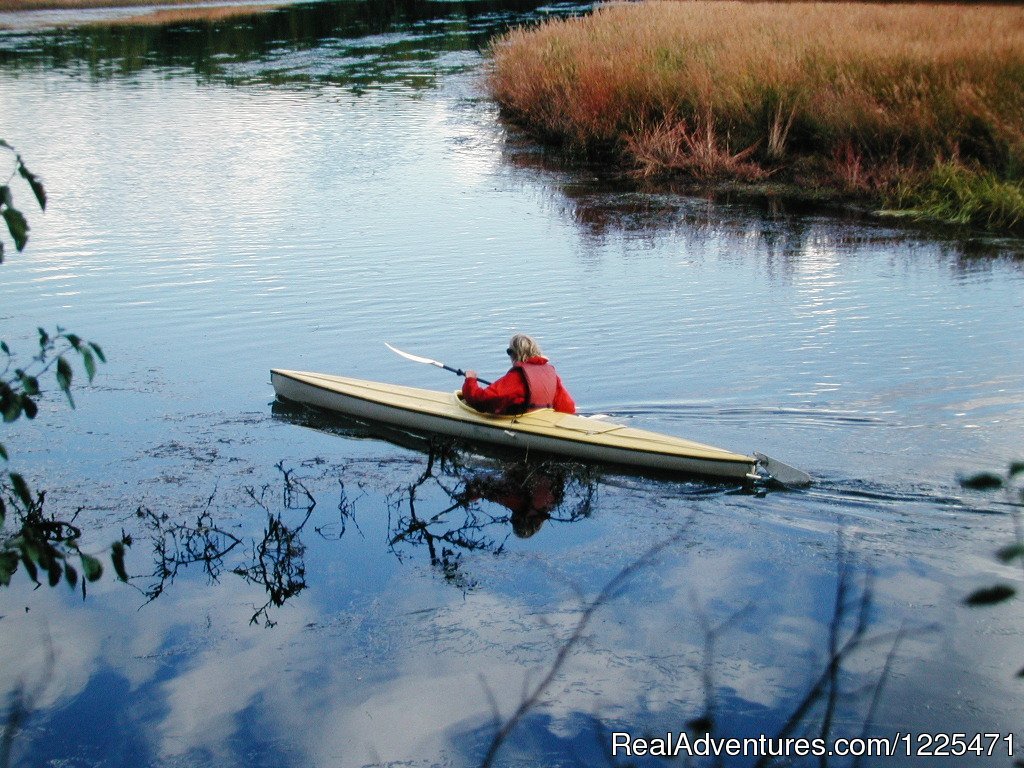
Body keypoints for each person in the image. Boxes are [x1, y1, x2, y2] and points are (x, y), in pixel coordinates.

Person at [462, 334, 576, 415]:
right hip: (543, 419)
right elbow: (568, 407)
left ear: (515, 354)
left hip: (524, 422)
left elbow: (481, 399)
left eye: (509, 352)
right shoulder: (551, 374)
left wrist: (470, 380)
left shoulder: (517, 377)